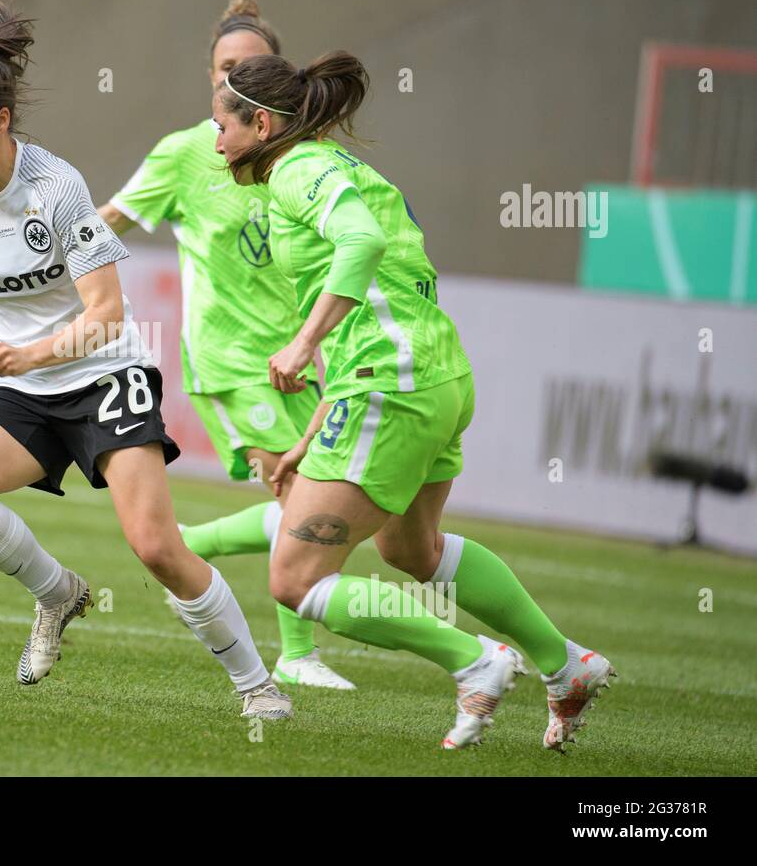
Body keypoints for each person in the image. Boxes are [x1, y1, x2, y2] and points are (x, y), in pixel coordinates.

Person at [0, 0, 292, 719]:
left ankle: (258, 686)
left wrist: (33, 354)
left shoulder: (57, 189)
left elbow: (107, 315)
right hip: (21, 383)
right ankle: (58, 592)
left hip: (101, 375)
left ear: (1, 120)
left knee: (155, 546)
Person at [211, 49, 616, 749]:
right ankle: (564, 663)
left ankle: (476, 662)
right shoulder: (338, 166)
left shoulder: (299, 171)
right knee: (414, 550)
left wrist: (304, 344)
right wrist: (313, 432)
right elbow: (384, 281)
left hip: (390, 386)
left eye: (223, 124)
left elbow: (362, 243)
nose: (215, 138)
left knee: (296, 579)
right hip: (436, 377)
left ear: (264, 122)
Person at [99, 0, 354, 691]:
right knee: (300, 494)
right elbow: (110, 221)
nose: (227, 79)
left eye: (243, 67)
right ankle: (297, 656)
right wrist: (42, 250)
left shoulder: (301, 160)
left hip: (297, 357)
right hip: (230, 359)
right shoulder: (188, 153)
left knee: (322, 503)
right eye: (220, 68)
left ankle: (174, 549)